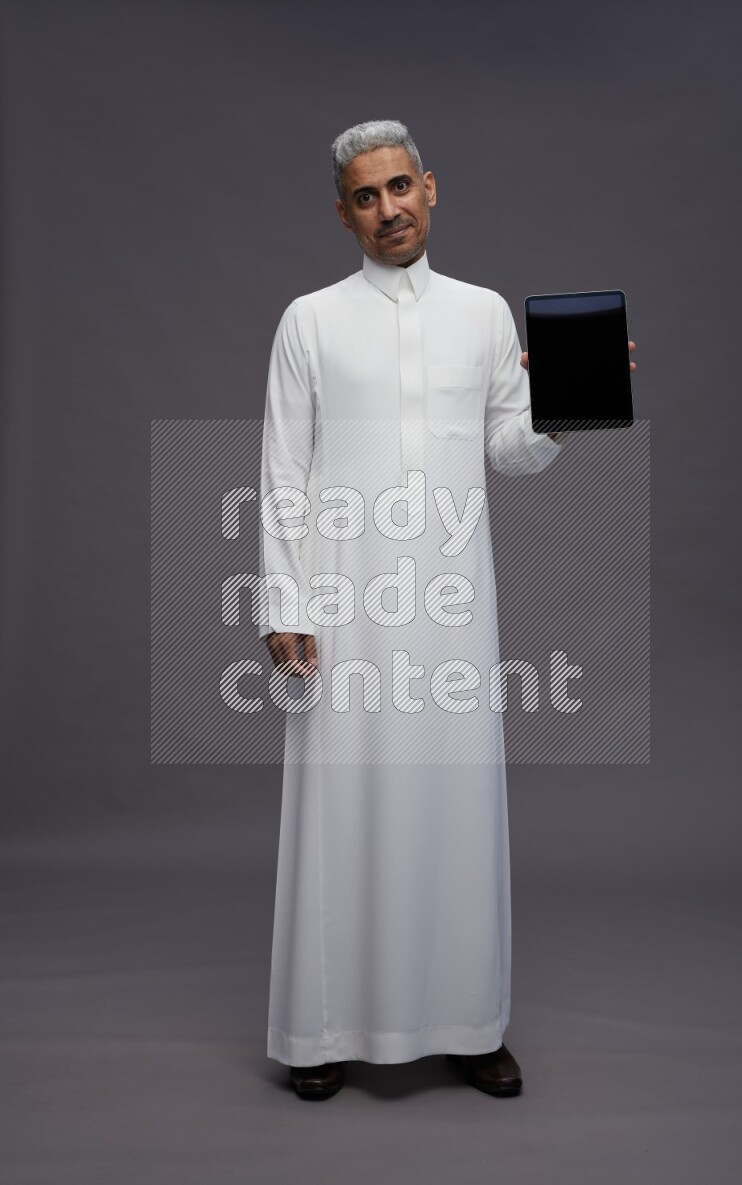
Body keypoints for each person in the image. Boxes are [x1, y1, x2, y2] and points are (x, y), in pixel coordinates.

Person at [258, 120, 636, 1100]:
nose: (387, 210)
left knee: (455, 802)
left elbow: (509, 448)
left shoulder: (479, 317)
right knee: (342, 807)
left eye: (399, 188)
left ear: (430, 188)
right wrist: (284, 600)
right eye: (365, 196)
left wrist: (565, 404)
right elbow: (282, 474)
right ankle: (321, 1031)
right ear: (342, 212)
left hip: (452, 604)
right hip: (343, 603)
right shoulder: (309, 320)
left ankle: (468, 1024)